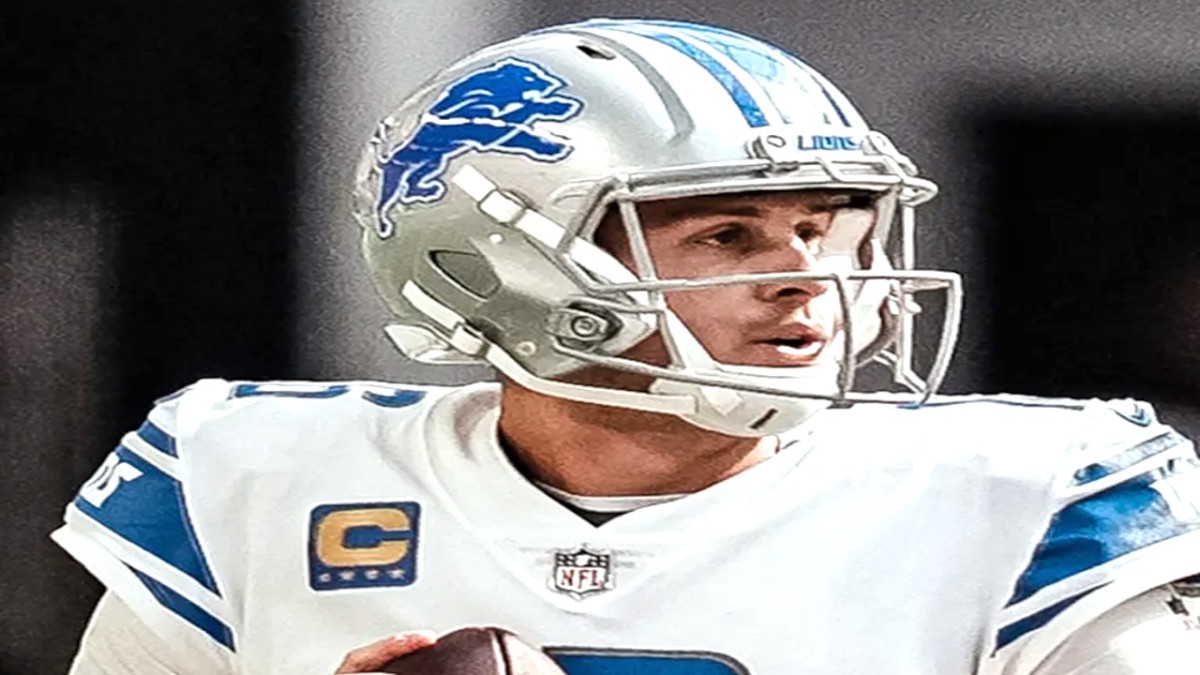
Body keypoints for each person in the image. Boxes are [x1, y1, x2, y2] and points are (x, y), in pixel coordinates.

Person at [55, 18, 1200, 675]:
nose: (813, 277)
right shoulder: (250, 478)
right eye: (726, 233)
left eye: (827, 226)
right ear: (496, 259)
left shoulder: (1032, 499)